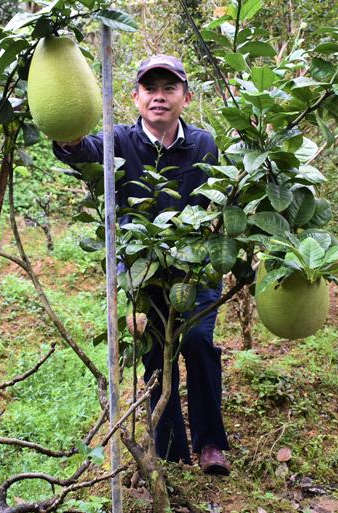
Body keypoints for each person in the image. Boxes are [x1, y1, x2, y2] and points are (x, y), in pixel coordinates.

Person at [52, 55, 231, 475]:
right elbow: (83, 153)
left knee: (199, 345)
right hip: (142, 273)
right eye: (151, 89)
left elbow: (217, 203)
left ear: (185, 98)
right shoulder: (119, 141)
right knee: (155, 357)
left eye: (169, 89)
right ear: (135, 97)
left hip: (194, 271)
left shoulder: (204, 144)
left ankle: (210, 444)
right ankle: (170, 450)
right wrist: (70, 136)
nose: (159, 97)